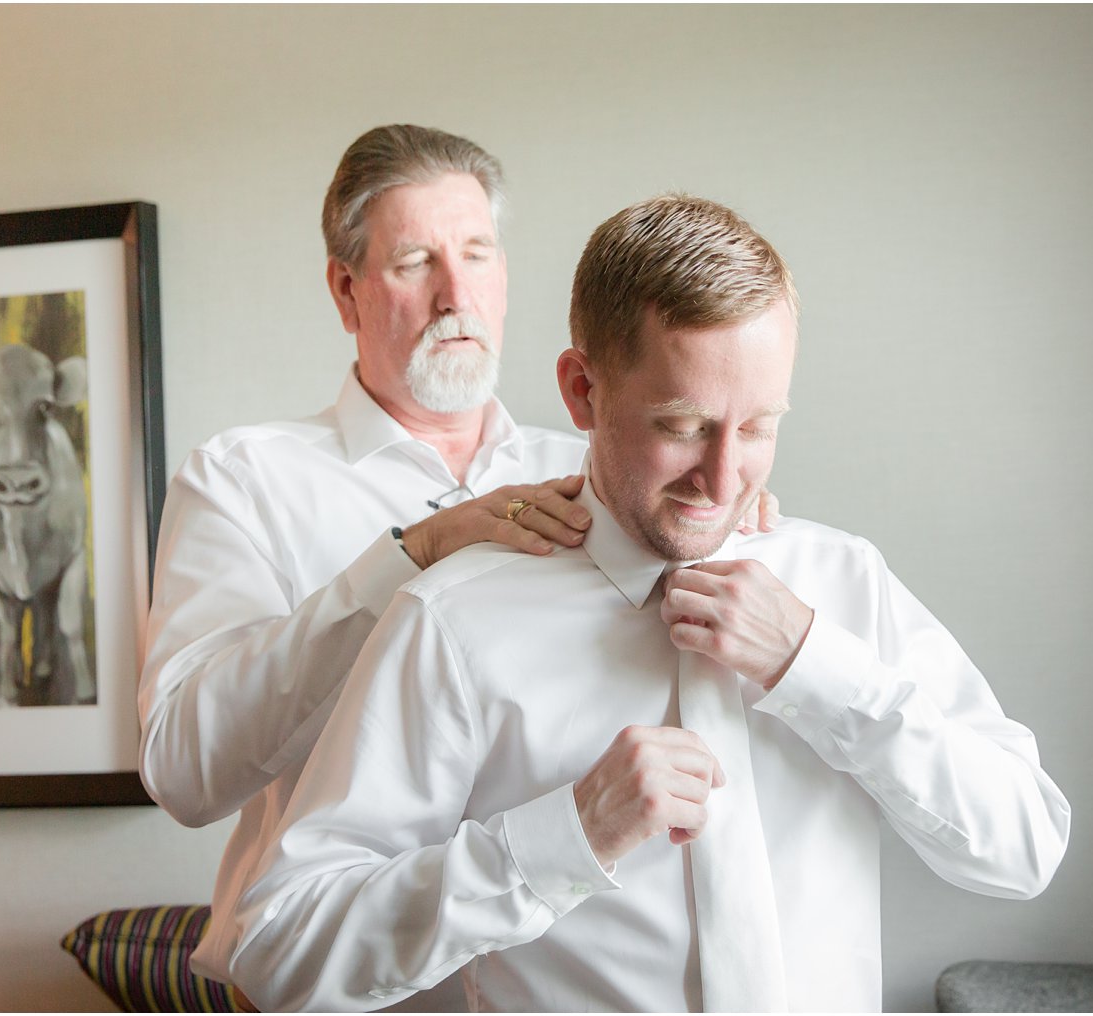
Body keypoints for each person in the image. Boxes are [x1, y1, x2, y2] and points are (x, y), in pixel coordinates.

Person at [227, 194, 1072, 1012]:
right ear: (582, 391)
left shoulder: (842, 583)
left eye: (759, 428)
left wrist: (820, 670)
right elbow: (282, 951)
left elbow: (1025, 847)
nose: (724, 478)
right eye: (684, 426)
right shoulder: (454, 622)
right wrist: (563, 839)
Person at [137, 125, 782, 988]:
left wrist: (717, 505)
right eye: (414, 262)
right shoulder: (246, 479)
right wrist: (413, 553)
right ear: (346, 289)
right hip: (330, 982)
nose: (456, 295)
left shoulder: (614, 467)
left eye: (477, 254)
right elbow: (184, 770)